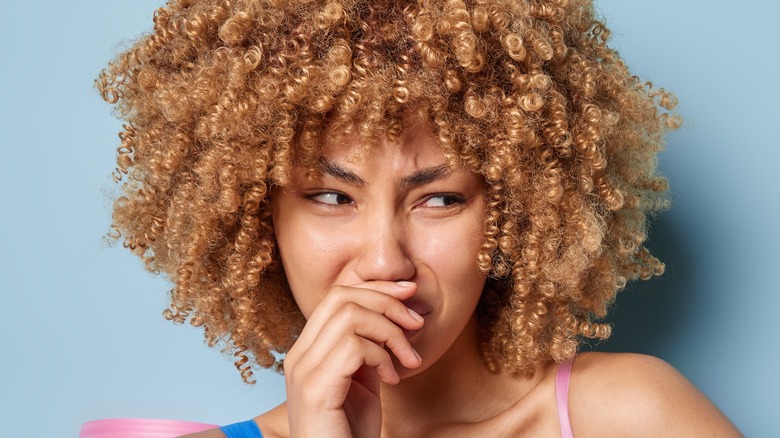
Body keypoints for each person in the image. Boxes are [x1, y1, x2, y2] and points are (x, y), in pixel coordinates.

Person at [97, 0, 741, 436]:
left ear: (515, 211)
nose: (385, 261)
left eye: (440, 199)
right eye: (331, 197)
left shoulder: (628, 417)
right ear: (257, 218)